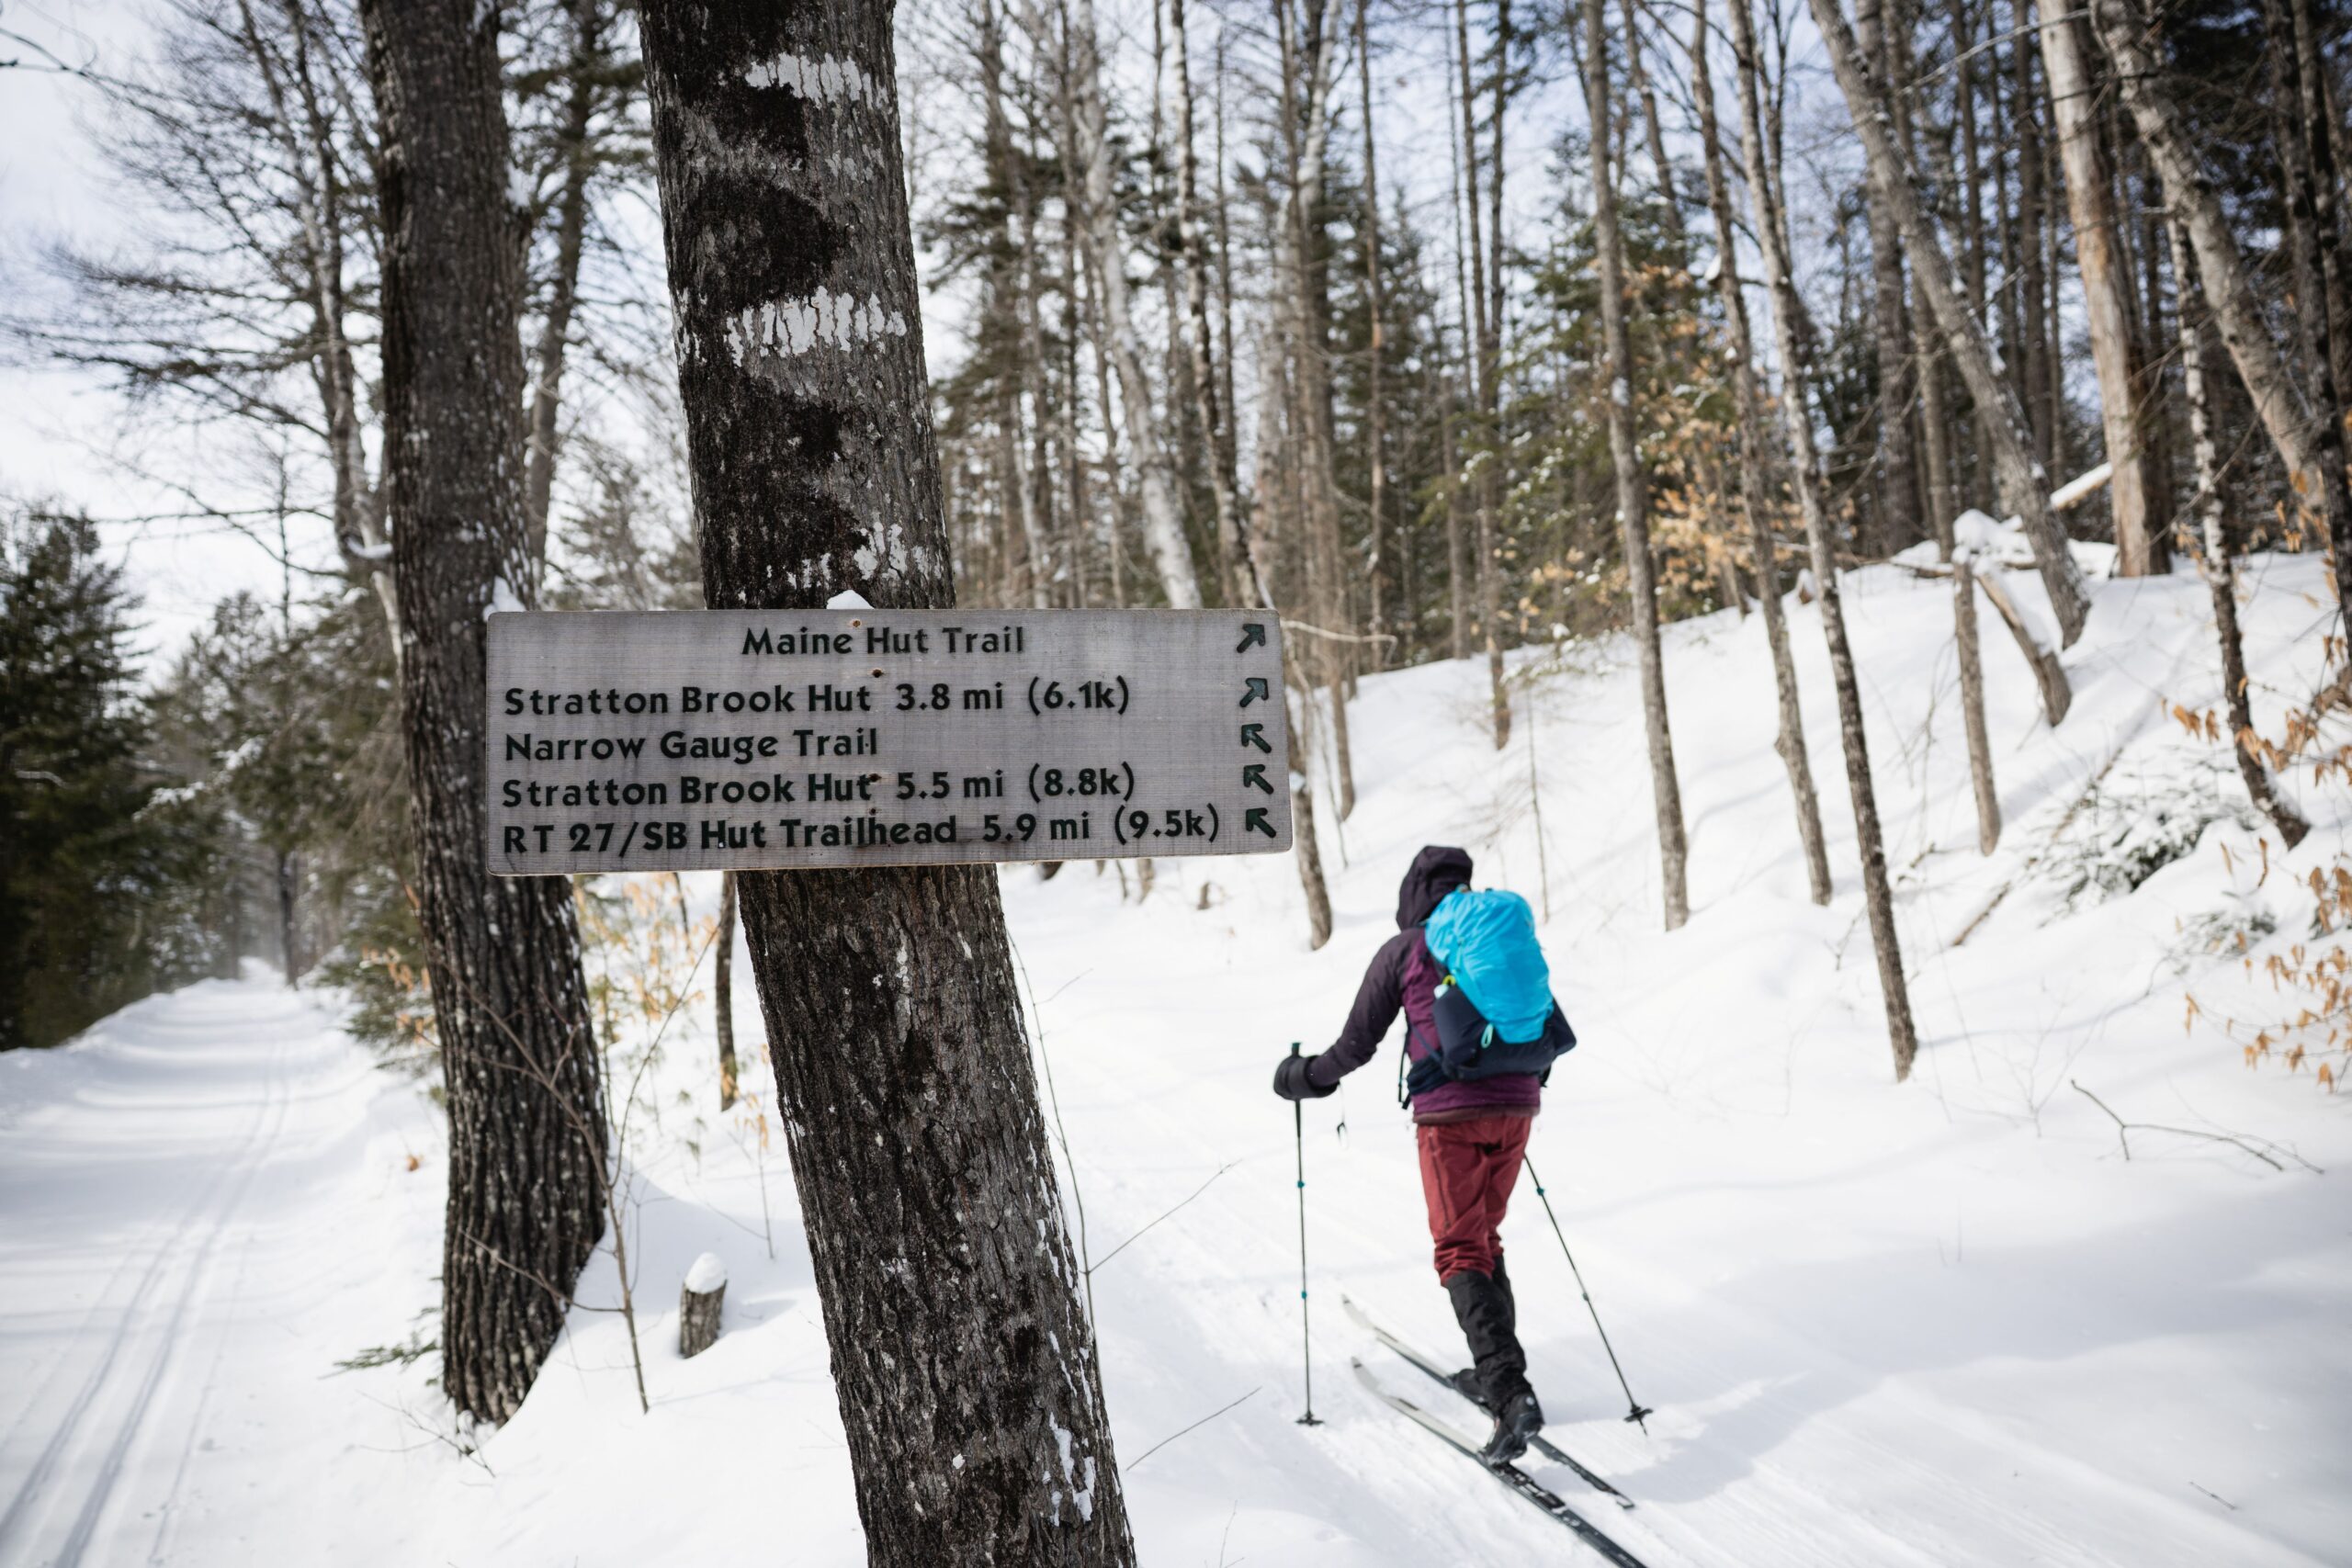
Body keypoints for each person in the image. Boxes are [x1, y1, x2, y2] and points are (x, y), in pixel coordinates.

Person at [1272, 844, 1546, 1464]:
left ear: (1412, 895)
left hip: (1449, 1115)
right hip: (1519, 1101)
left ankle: (1510, 1393)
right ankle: (1500, 1370)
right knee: (1484, 1234)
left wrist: (1305, 1075)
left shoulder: (1407, 950)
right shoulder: (1496, 936)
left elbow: (1355, 1045)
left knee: (1460, 1246)